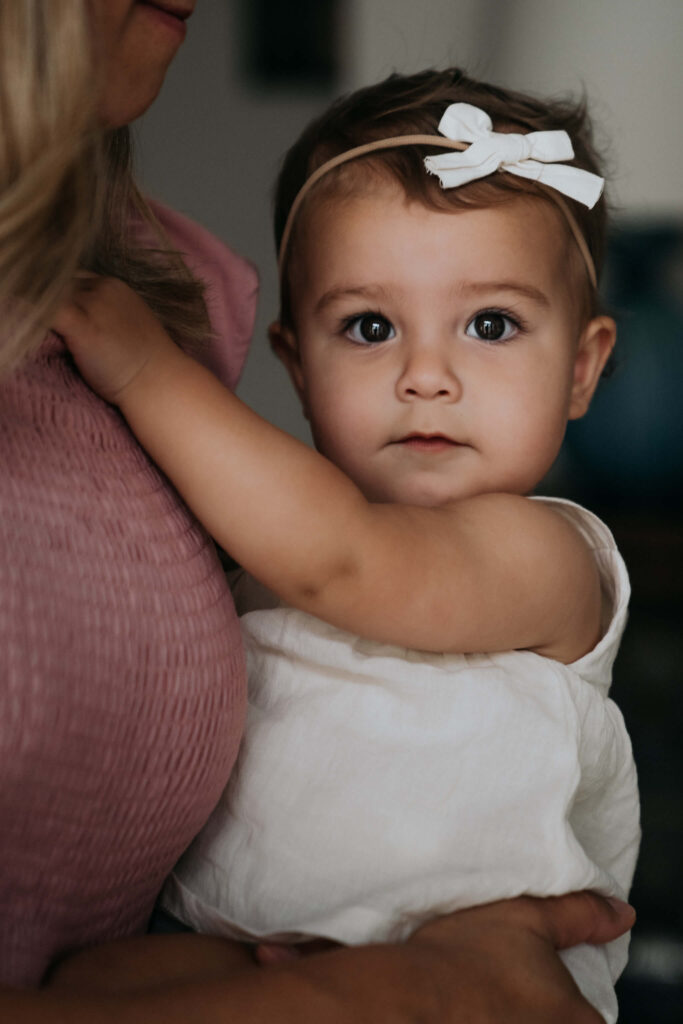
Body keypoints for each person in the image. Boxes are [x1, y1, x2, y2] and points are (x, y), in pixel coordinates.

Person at [0, 3, 633, 1020]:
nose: (426, 374)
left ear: (582, 366)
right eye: (369, 325)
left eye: (490, 323)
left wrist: (146, 370)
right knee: (87, 983)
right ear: (295, 362)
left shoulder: (544, 554)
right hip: (249, 947)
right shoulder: (264, 536)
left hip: (475, 956)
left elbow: (346, 560)